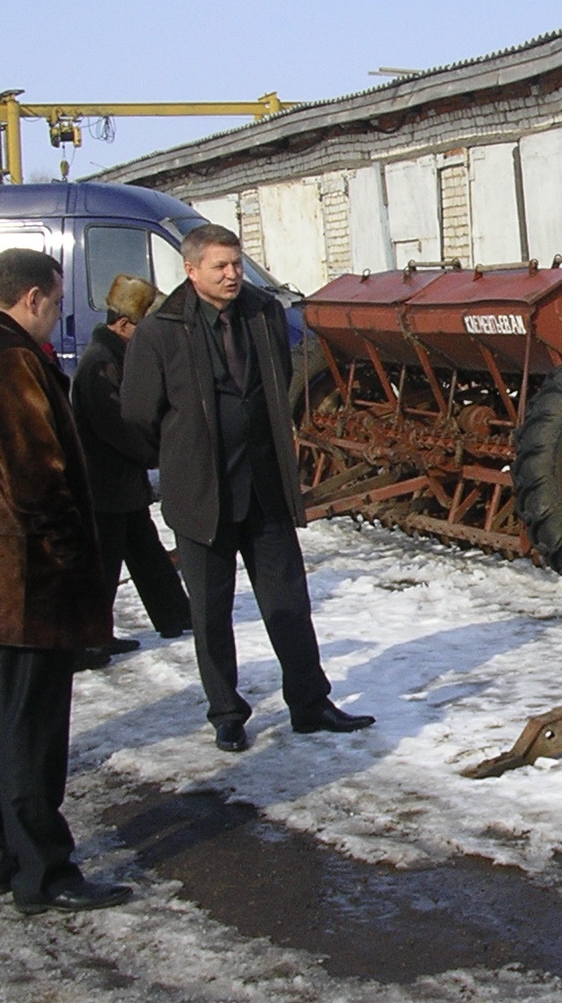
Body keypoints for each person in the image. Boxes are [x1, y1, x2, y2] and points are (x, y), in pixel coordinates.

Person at [0, 248, 131, 914]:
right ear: (32, 296)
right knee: (30, 732)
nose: (58, 313)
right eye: (56, 300)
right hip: (23, 578)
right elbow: (35, 473)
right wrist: (70, 557)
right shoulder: (9, 358)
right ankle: (44, 871)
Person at [123, 224, 373, 752]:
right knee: (211, 614)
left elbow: (278, 380)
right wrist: (179, 459)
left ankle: (310, 703)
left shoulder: (261, 313)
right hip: (199, 498)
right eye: (220, 266)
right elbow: (139, 416)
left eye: (236, 263)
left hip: (264, 489)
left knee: (289, 603)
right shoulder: (162, 329)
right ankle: (227, 713)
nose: (233, 274)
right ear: (191, 272)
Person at [70, 273, 192, 654]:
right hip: (104, 485)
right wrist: (157, 453)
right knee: (103, 567)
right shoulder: (101, 364)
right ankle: (88, 640)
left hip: (120, 484)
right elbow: (119, 428)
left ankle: (176, 617)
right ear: (123, 325)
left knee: (145, 552)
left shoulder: (113, 357)